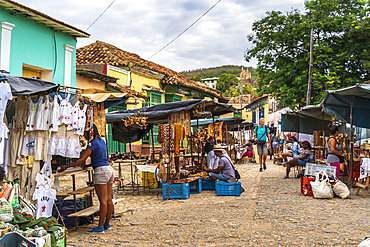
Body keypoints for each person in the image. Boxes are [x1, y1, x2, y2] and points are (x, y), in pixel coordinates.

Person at [58, 124, 114, 233]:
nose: (83, 135)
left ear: (90, 133)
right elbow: (100, 157)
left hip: (101, 172)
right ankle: (107, 224)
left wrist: (65, 167)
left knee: (102, 201)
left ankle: (100, 227)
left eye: (85, 132)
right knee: (108, 199)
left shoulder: (92, 144)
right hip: (109, 169)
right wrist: (89, 166)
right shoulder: (102, 141)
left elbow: (81, 160)